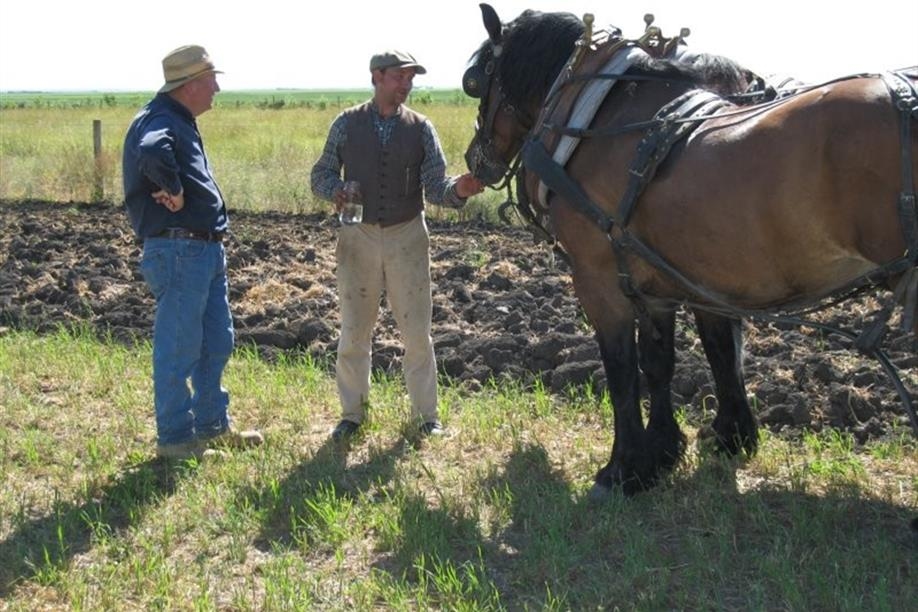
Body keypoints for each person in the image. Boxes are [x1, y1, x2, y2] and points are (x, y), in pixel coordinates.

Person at [311, 49, 484, 442]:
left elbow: (436, 185)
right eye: (399, 77)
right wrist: (335, 190)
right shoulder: (345, 124)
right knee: (354, 330)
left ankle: (427, 417)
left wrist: (459, 189)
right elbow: (319, 174)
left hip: (408, 234)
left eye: (410, 79)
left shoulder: (421, 128)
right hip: (358, 236)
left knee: (417, 332)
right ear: (376, 77)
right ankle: (352, 415)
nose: (406, 85)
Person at [122, 44, 263, 460]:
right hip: (179, 248)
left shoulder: (177, 119)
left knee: (215, 341)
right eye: (211, 80)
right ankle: (177, 439)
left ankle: (212, 426)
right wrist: (176, 191)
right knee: (180, 345)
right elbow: (151, 151)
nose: (217, 87)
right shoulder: (160, 121)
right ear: (190, 86)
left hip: (200, 249)